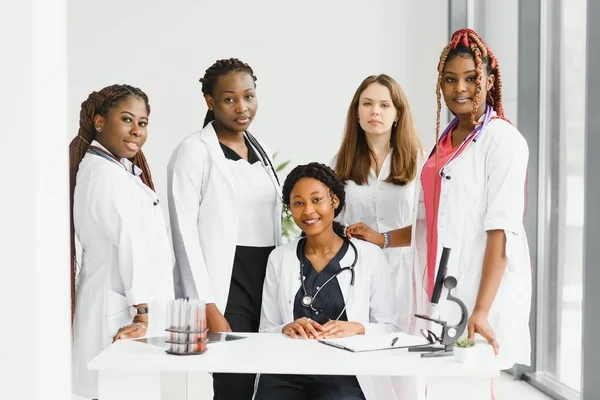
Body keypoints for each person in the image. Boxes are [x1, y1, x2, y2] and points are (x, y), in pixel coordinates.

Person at [346, 29, 532, 380]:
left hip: (474, 295)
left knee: (468, 386)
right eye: (450, 80)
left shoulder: (503, 141)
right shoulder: (445, 142)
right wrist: (382, 238)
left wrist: (480, 309)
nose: (459, 88)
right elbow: (426, 225)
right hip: (435, 291)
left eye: (471, 78)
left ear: (489, 81)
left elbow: (502, 232)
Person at [167, 58, 282, 400]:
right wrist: (208, 305)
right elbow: (183, 234)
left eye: (249, 96)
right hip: (227, 284)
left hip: (266, 277)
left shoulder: (259, 152)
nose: (242, 107)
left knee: (267, 380)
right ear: (210, 101)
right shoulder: (193, 152)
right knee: (234, 383)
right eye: (230, 99)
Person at [256, 162, 400, 400]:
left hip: (345, 374)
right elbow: (266, 328)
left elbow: (391, 328)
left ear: (334, 201)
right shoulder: (279, 258)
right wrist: (285, 328)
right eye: (298, 203)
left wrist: (357, 328)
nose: (308, 211)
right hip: (287, 373)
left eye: (316, 200)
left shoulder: (368, 256)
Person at [70, 84, 174, 399]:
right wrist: (142, 312)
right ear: (100, 121)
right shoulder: (103, 174)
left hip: (126, 307)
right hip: (122, 311)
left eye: (142, 123)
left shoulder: (119, 172)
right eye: (127, 119)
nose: (136, 131)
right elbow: (129, 244)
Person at [332, 74, 425, 399]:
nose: (376, 111)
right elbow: (332, 223)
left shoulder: (418, 163)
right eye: (367, 103)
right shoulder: (341, 164)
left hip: (405, 274)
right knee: (365, 366)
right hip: (359, 277)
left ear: (398, 113)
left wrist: (382, 238)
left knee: (405, 366)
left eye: (385, 104)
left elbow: (428, 227)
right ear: (356, 112)